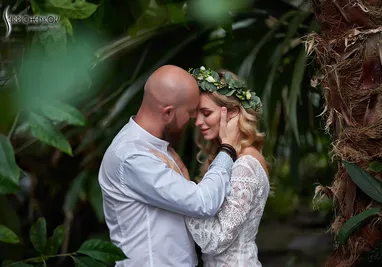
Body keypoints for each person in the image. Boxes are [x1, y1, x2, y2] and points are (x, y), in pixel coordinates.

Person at [98, 64, 241, 267]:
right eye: (190, 113)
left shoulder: (156, 145)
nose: (194, 121)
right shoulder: (131, 156)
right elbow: (203, 202)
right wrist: (227, 150)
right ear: (167, 113)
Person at [152, 66, 270, 266]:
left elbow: (215, 241)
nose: (198, 122)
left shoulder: (246, 164)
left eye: (206, 113)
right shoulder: (231, 159)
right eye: (197, 114)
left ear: (232, 113)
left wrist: (181, 188)